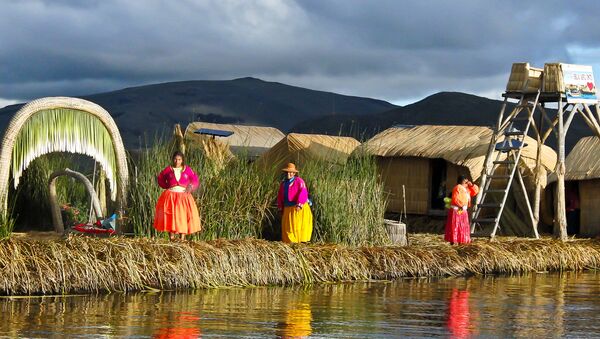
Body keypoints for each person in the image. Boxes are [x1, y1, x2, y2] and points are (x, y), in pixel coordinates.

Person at [154, 151, 201, 240]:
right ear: (173, 159)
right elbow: (160, 178)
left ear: (182, 160)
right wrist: (166, 186)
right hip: (170, 196)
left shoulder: (187, 170)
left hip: (183, 196)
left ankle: (182, 238)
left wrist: (191, 187)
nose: (177, 161)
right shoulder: (168, 170)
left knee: (182, 215)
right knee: (171, 215)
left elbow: (195, 179)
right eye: (175, 159)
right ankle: (171, 237)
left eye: (179, 159)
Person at [277, 163, 313, 243]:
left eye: (290, 172)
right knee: (287, 228)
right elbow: (280, 196)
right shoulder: (283, 184)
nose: (288, 174)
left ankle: (299, 243)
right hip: (287, 209)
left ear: (294, 173)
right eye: (287, 172)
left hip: (297, 208)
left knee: (297, 226)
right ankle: (290, 244)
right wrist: (280, 208)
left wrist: (299, 204)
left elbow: (303, 192)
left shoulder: (299, 181)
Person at [445, 175, 478, 244]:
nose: (467, 182)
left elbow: (475, 192)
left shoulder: (467, 189)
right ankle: (453, 241)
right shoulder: (457, 188)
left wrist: (471, 185)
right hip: (457, 210)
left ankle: (461, 240)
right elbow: (455, 198)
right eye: (466, 180)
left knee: (462, 226)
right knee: (455, 226)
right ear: (462, 181)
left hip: (463, 210)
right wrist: (461, 205)